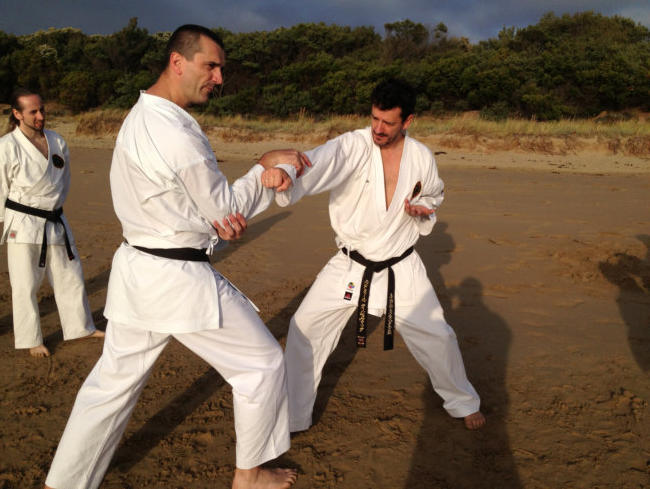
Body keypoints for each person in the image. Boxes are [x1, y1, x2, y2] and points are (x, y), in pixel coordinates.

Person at [44, 25, 306, 489]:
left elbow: (199, 207)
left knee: (112, 385)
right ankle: (249, 476)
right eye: (211, 66)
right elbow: (225, 210)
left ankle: (63, 483)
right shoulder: (173, 130)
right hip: (175, 276)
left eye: (221, 68)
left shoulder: (143, 115)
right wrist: (263, 165)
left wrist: (218, 217)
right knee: (261, 363)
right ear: (177, 62)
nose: (219, 78)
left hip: (140, 269)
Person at [278, 78, 486, 432]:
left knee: (438, 336)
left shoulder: (421, 157)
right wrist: (285, 174)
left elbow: (433, 194)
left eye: (388, 123)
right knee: (304, 330)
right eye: (374, 118)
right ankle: (294, 416)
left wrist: (423, 208)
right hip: (350, 264)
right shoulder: (352, 146)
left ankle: (462, 401)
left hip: (400, 266)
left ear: (408, 121)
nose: (378, 128)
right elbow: (315, 162)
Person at [0, 88, 103, 358]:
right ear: (17, 114)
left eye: (42, 110)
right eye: (33, 111)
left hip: (55, 218)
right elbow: (1, 188)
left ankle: (80, 327)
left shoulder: (56, 140)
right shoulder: (7, 146)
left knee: (71, 275)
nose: (40, 116)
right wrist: (4, 222)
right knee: (25, 283)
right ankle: (31, 338)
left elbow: (64, 181)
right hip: (23, 223)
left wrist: (54, 205)